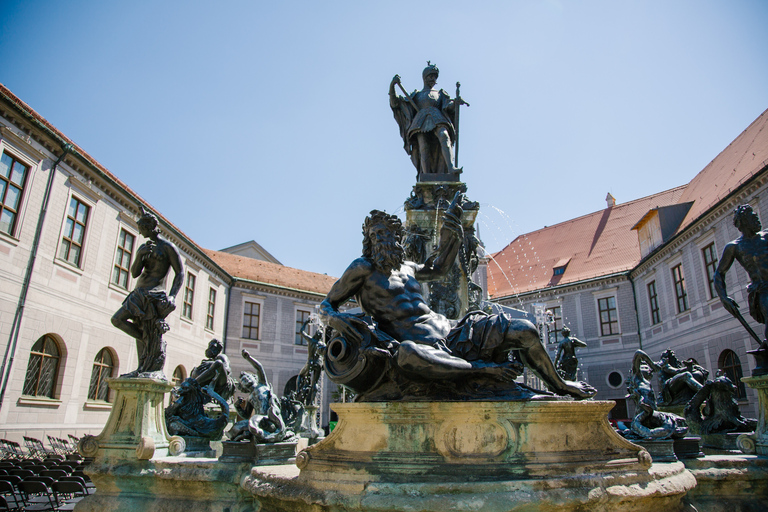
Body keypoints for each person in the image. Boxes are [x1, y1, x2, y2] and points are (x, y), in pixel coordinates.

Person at [319, 193, 596, 400]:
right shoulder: (362, 269)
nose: (380, 239)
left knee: (524, 329)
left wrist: (453, 228)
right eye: (374, 235)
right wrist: (340, 322)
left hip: (453, 333)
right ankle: (481, 371)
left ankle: (559, 384)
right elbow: (326, 306)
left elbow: (439, 267)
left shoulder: (409, 267)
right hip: (421, 350)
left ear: (397, 238)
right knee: (406, 354)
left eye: (386, 234)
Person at [111, 207, 184, 377]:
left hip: (155, 294)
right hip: (138, 293)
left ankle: (144, 367)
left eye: (142, 228)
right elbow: (135, 273)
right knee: (117, 320)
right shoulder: (144, 247)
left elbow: (179, 272)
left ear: (151, 227)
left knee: (149, 330)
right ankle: (144, 354)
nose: (140, 231)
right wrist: (140, 256)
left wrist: (172, 295)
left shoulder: (167, 247)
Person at [390, 62, 462, 176]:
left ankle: (450, 167)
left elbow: (448, 106)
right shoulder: (416, 95)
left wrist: (455, 103)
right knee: (423, 147)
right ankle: (426, 175)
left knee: (444, 136)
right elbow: (396, 103)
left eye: (435, 77)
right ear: (424, 77)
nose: (433, 79)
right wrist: (392, 85)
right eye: (430, 76)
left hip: (438, 117)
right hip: (420, 121)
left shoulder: (440, 93)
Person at [715, 204, 768, 348]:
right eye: (752, 216)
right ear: (744, 222)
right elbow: (719, 273)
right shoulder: (735, 246)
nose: (757, 218)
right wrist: (724, 298)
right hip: (762, 290)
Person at [227, 349, 292, 443]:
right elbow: (246, 415)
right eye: (243, 381)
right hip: (258, 421)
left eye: (248, 377)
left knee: (254, 421)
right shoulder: (250, 398)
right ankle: (249, 435)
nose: (246, 380)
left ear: (254, 377)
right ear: (243, 387)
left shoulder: (262, 384)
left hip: (270, 420)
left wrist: (249, 358)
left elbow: (259, 367)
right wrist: (237, 406)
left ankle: (256, 434)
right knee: (237, 426)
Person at [189, 339, 236, 403]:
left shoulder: (222, 357)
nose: (209, 348)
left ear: (217, 349)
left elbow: (226, 370)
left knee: (218, 363)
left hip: (223, 382)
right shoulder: (206, 360)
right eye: (209, 346)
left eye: (212, 347)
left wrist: (211, 364)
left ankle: (194, 383)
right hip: (213, 381)